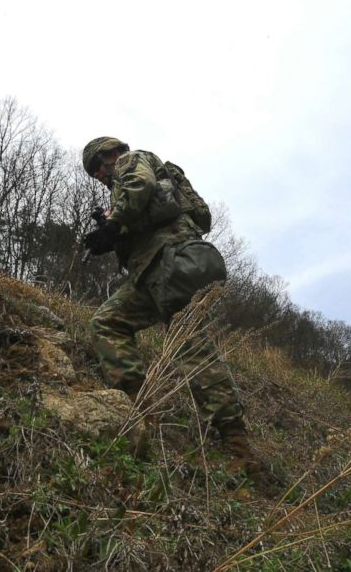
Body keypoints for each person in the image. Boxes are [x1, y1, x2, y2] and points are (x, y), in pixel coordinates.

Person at [81, 137, 263, 478]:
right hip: (156, 271)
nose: (99, 177)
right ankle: (142, 412)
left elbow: (142, 185)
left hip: (171, 263)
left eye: (97, 169)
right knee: (107, 322)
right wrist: (115, 229)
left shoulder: (130, 161)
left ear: (108, 156)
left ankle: (239, 449)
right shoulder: (144, 173)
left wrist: (113, 224)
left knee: (190, 347)